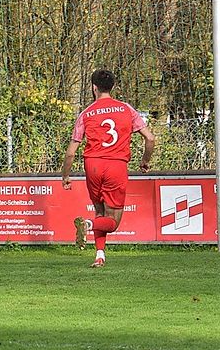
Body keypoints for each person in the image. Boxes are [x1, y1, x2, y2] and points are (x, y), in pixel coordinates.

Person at [61, 69, 155, 267]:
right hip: (115, 165)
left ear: (94, 88)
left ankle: (100, 255)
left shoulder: (86, 114)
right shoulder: (126, 109)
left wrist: (65, 176)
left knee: (99, 211)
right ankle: (88, 225)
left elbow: (70, 152)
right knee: (112, 222)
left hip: (92, 165)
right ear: (112, 87)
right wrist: (145, 161)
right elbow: (150, 138)